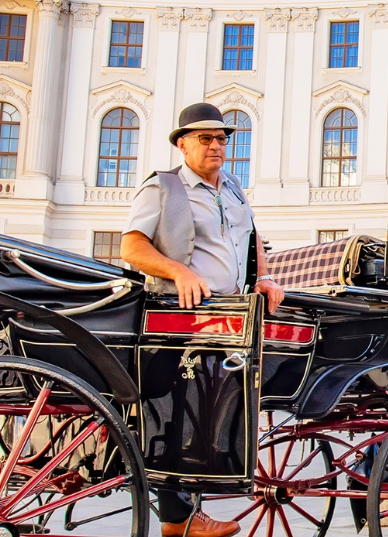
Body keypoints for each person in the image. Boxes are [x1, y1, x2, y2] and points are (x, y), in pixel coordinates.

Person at [120, 103, 284, 537]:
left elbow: (253, 240)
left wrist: (263, 276)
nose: (216, 146)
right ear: (182, 144)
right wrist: (180, 271)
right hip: (179, 316)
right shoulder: (163, 188)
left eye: (222, 139)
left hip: (229, 317)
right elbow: (132, 247)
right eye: (205, 139)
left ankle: (188, 511)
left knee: (209, 411)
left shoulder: (233, 189)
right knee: (177, 414)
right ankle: (178, 518)